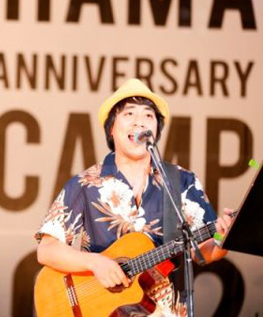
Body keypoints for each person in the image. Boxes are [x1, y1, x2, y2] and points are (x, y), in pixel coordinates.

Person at [35, 78, 234, 316]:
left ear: (156, 130)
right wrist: (95, 263)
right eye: (129, 113)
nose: (140, 121)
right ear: (111, 128)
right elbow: (47, 250)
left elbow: (203, 252)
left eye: (148, 115)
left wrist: (223, 239)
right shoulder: (85, 184)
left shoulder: (181, 182)